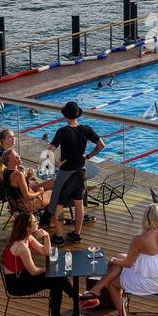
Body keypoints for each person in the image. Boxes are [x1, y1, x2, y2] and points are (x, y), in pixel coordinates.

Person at [86, 204, 158, 316]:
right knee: (119, 257)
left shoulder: (139, 239)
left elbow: (128, 264)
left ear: (145, 218)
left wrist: (112, 260)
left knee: (113, 282)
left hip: (146, 281)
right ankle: (96, 289)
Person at [1, 212, 97, 316]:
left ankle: (74, 302)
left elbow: (45, 252)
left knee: (57, 278)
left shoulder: (27, 238)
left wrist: (46, 237)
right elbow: (34, 271)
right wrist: (51, 269)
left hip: (22, 275)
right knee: (56, 278)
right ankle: (77, 301)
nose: (37, 221)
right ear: (27, 227)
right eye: (35, 221)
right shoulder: (21, 247)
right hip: (17, 284)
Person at [47, 101, 103, 245]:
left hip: (66, 173)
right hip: (81, 172)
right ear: (77, 114)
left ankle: (59, 237)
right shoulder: (86, 129)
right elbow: (101, 145)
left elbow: (49, 151)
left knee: (57, 205)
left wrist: (56, 163)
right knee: (79, 204)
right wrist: (88, 156)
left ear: (65, 116)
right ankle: (76, 235)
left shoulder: (62, 131)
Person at [3, 148, 52, 218]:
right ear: (8, 162)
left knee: (50, 183)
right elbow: (27, 196)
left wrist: (27, 177)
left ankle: (49, 217)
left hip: (16, 203)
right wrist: (39, 192)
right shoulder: (18, 174)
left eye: (17, 155)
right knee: (53, 192)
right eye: (15, 157)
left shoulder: (5, 171)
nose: (18, 157)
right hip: (26, 205)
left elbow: (16, 186)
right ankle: (50, 219)